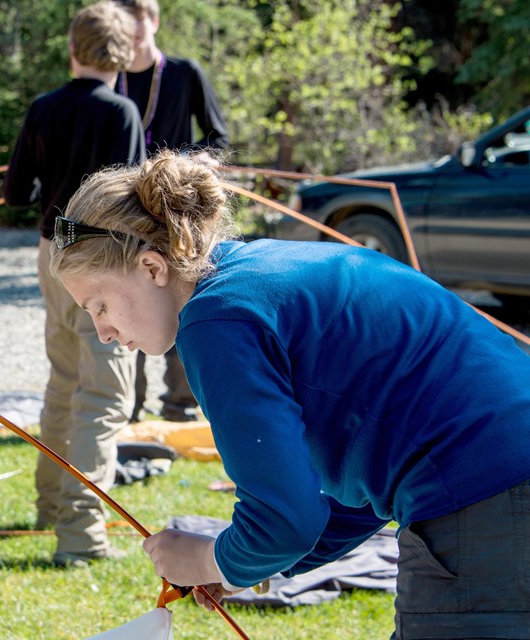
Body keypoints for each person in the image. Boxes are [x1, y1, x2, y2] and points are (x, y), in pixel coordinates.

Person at [49, 150, 530, 638]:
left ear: (152, 267)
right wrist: (247, 563)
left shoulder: (216, 321)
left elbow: (285, 518)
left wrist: (206, 557)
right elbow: (359, 486)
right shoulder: (257, 271)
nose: (103, 331)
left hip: (483, 495)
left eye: (100, 305)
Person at [2, 1, 146, 567]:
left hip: (51, 257)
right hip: (102, 262)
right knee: (104, 396)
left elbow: (15, 193)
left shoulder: (42, 109)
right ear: (125, 54)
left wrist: (49, 189)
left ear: (72, 50)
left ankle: (51, 505)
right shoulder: (122, 115)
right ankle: (81, 536)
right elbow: (133, 206)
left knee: (64, 380)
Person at [115, 0, 229, 423]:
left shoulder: (184, 73)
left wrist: (200, 161)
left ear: (155, 21)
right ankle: (129, 406)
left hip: (176, 208)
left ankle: (181, 404)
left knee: (182, 297)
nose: (133, 28)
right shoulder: (112, 78)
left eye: (139, 18)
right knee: (130, 298)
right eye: (123, 21)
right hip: (126, 211)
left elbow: (217, 136)